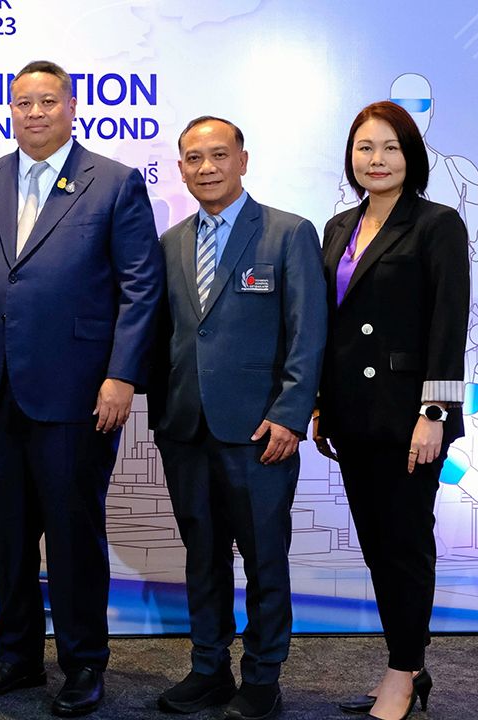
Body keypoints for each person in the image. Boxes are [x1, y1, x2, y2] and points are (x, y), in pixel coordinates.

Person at [0, 59, 163, 717]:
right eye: (22, 102)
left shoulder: (115, 182)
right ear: (8, 110)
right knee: (8, 539)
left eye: (48, 101)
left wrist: (122, 373)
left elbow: (141, 286)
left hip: (78, 396)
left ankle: (82, 666)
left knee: (73, 538)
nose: (34, 112)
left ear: (72, 106)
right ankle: (16, 658)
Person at [148, 117, 326, 720]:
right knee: (202, 556)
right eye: (193, 159)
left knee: (264, 558)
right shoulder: (170, 243)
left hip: (259, 434)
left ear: (243, 160)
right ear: (181, 170)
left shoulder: (287, 233)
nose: (207, 168)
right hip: (185, 430)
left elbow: (308, 336)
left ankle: (262, 676)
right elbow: (166, 336)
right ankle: (208, 670)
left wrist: (290, 416)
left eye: (219, 155)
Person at [314, 100, 468, 720]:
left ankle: (404, 673)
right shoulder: (337, 227)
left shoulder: (437, 223)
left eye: (390, 148)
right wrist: (322, 402)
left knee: (404, 544)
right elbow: (330, 326)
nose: (375, 160)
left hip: (410, 416)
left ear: (411, 156)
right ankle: (405, 663)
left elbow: (448, 323)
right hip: (352, 415)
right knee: (378, 546)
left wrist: (435, 411)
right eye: (364, 148)